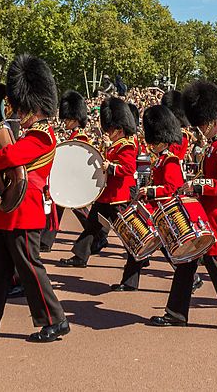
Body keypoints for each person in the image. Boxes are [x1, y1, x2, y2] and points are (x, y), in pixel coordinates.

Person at [0, 54, 70, 343]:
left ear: (34, 105)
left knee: (30, 267)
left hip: (24, 209)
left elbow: (11, 156)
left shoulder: (43, 135)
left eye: (22, 107)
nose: (18, 113)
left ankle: (56, 321)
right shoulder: (29, 132)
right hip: (9, 207)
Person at [148, 80, 217, 332]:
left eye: (204, 123)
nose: (201, 128)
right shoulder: (212, 148)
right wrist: (193, 185)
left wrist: (198, 187)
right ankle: (176, 312)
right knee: (186, 262)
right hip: (203, 212)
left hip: (215, 214)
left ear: (215, 120)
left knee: (216, 262)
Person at [62, 97, 146, 292]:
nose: (108, 132)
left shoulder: (126, 145)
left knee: (130, 239)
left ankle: (130, 280)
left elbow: (127, 169)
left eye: (111, 129)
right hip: (105, 197)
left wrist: (110, 167)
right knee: (91, 227)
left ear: (119, 128)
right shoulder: (115, 144)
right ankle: (80, 257)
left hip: (119, 198)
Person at [40, 89, 92, 251]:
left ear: (76, 119)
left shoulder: (80, 137)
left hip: (73, 178)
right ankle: (46, 241)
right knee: (61, 207)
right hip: (68, 178)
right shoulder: (74, 135)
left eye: (68, 119)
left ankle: (98, 232)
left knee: (77, 209)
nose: (65, 123)